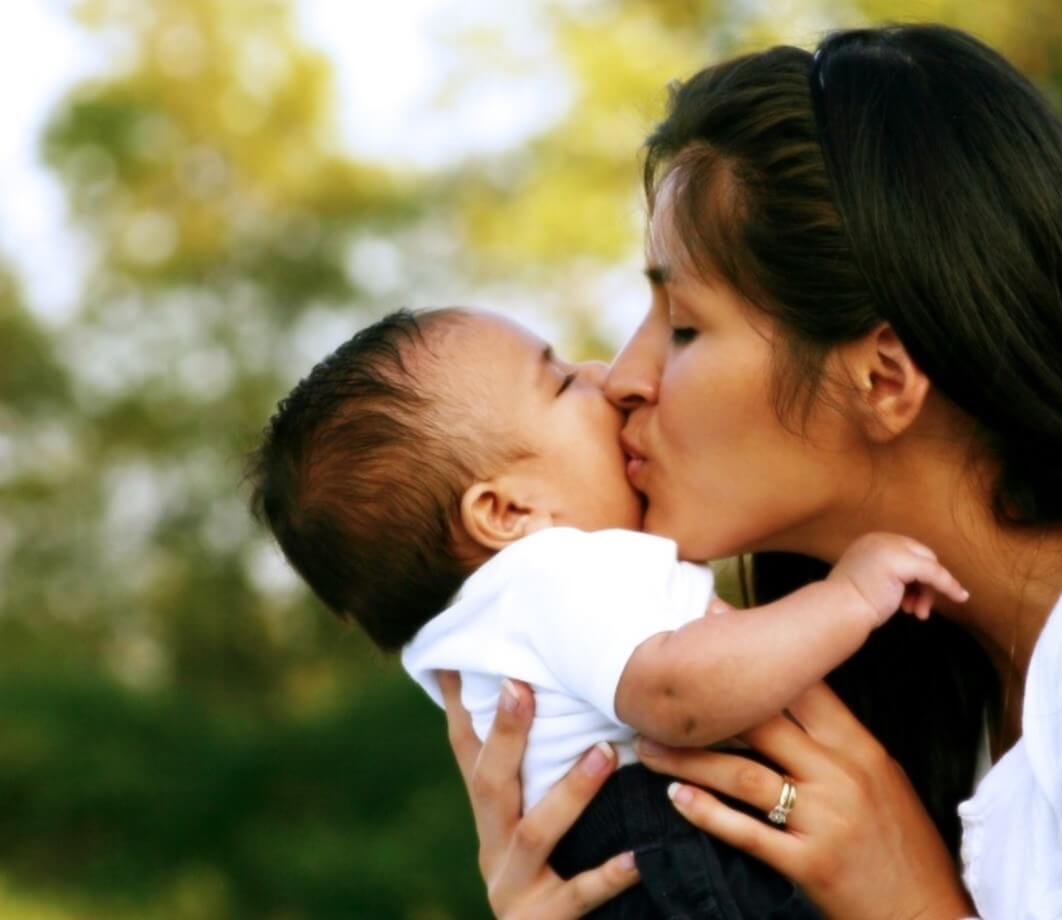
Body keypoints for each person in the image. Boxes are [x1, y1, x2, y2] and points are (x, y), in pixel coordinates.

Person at [442, 23, 1062, 920]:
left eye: (684, 327)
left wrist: (913, 906)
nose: (620, 382)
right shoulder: (935, 677)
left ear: (883, 379)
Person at [246, 305, 968, 917]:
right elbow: (675, 694)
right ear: (505, 512)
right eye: (561, 381)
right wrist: (847, 597)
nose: (605, 374)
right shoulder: (551, 572)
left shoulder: (501, 617)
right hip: (678, 851)